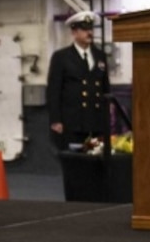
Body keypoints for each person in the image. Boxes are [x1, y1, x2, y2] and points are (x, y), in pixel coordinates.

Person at [46, 10, 111, 150]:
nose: (89, 33)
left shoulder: (100, 56)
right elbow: (53, 91)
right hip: (73, 123)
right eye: (84, 29)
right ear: (74, 32)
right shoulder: (61, 57)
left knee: (96, 164)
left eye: (91, 29)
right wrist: (55, 120)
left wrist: (107, 118)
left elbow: (105, 88)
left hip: (96, 122)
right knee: (74, 165)